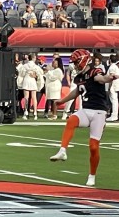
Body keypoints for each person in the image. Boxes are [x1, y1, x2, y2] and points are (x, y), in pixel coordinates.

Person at [50, 49, 116, 187]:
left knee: (93, 147)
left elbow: (101, 79)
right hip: (86, 110)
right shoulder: (79, 77)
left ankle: (92, 175)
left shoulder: (94, 71)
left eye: (75, 62)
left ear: (83, 60)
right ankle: (62, 151)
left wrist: (110, 78)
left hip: (99, 112)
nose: (74, 65)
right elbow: (77, 91)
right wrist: (62, 101)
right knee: (71, 120)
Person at [17, 53, 44, 120]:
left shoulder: (25, 66)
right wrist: (36, 76)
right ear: (34, 58)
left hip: (26, 80)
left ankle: (25, 112)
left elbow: (21, 74)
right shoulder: (35, 66)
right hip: (32, 81)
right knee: (34, 98)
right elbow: (40, 73)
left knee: (26, 97)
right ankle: (35, 113)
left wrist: (20, 83)